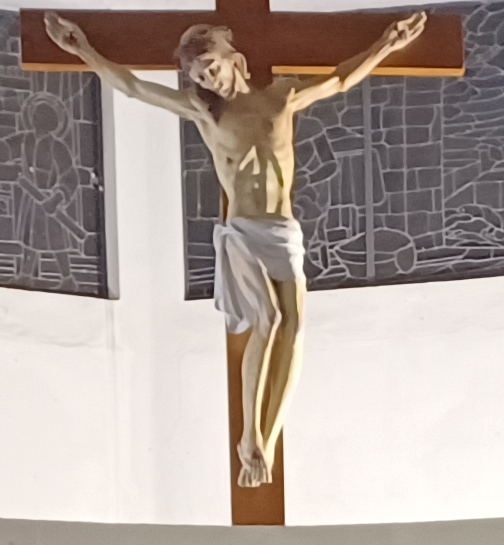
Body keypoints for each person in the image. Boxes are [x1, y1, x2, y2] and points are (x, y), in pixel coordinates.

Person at [40, 8, 431, 489]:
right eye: (197, 73)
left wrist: (387, 44)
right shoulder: (206, 111)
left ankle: (269, 433)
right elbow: (133, 87)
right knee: (266, 321)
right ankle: (249, 436)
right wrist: (82, 48)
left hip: (282, 228)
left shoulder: (281, 98)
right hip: (242, 229)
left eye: (211, 65)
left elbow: (339, 81)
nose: (205, 77)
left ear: (236, 59)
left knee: (295, 324)